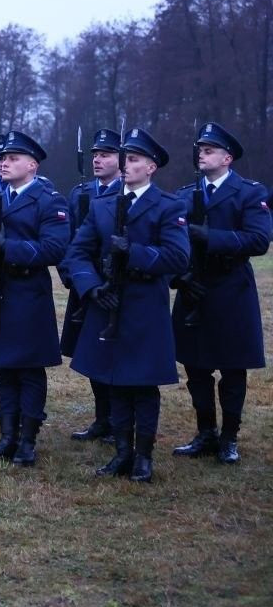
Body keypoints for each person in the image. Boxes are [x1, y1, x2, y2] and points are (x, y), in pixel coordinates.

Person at [65, 128, 190, 483]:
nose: (125, 165)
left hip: (145, 305)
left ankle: (143, 457)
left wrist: (133, 252)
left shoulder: (168, 206)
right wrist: (91, 288)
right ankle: (121, 453)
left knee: (143, 384)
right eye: (123, 159)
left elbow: (178, 257)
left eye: (133, 159)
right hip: (107, 301)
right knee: (114, 378)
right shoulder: (102, 205)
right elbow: (78, 253)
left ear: (151, 167)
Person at [0, 131, 70, 466]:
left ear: (32, 165)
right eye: (2, 158)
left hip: (27, 294)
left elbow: (54, 248)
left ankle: (27, 440)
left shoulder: (49, 201)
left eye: (12, 158)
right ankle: (7, 436)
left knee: (28, 369)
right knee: (2, 367)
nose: (3, 163)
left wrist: (8, 248)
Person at [170, 122, 270, 465]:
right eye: (200, 150)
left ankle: (229, 438)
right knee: (196, 367)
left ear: (227, 158)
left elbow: (259, 239)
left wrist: (211, 238)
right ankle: (205, 433)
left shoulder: (249, 193)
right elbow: (171, 242)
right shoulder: (185, 195)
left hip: (230, 288)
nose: (202, 155)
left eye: (209, 150)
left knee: (232, 367)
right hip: (193, 287)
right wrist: (180, 278)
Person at [60, 129, 122, 442]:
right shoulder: (80, 193)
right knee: (90, 353)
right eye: (95, 155)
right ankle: (101, 418)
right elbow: (69, 237)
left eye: (106, 155)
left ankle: (118, 421)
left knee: (114, 352)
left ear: (122, 160)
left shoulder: (128, 192)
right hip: (85, 283)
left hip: (114, 283)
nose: (97, 160)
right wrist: (70, 274)